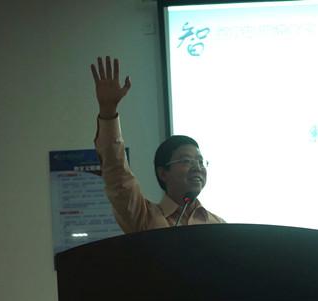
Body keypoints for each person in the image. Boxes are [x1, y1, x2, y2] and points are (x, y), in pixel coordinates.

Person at [90, 56, 225, 233]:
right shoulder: (145, 218)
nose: (197, 168)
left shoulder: (219, 225)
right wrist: (108, 111)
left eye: (200, 162)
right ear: (163, 173)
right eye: (186, 161)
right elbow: (118, 177)